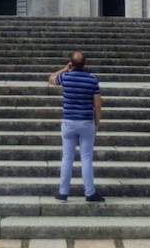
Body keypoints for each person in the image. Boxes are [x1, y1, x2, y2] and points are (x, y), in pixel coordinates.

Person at [48, 50, 105, 202]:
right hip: (86, 122)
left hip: (68, 122)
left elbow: (51, 78)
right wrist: (97, 123)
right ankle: (90, 193)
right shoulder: (92, 80)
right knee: (86, 158)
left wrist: (65, 69)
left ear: (72, 63)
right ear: (85, 63)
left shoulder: (65, 77)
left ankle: (63, 192)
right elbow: (97, 105)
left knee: (67, 158)